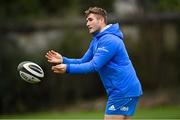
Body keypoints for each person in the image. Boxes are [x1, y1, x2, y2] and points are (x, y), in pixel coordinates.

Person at [45, 7, 143, 120]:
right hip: (124, 90)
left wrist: (67, 68)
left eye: (90, 20)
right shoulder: (97, 40)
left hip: (122, 90)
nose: (87, 23)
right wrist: (63, 60)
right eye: (87, 20)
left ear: (101, 20)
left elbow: (94, 66)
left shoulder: (109, 40)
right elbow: (83, 61)